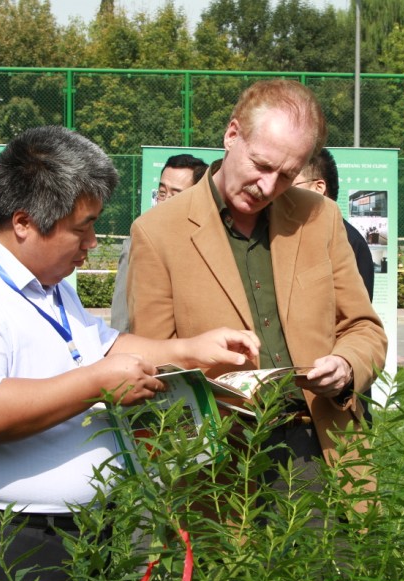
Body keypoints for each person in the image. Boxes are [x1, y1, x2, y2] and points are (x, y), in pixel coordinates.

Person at [0, 125, 259, 581]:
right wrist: (96, 384)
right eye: (81, 227)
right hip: (1, 549)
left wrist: (191, 350)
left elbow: (105, 347)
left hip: (78, 540)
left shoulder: (48, 284)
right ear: (25, 222)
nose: (92, 241)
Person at [127, 80, 388, 495]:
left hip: (322, 448)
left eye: (286, 176)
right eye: (261, 166)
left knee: (336, 562)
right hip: (219, 463)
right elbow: (154, 364)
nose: (268, 187)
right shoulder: (158, 233)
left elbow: (364, 329)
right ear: (232, 136)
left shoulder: (320, 217)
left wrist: (345, 366)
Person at [110, 153, 208, 331]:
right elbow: (122, 316)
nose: (164, 202)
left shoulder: (209, 245)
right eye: (162, 193)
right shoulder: (138, 243)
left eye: (176, 195)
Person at [292, 148, 375, 300]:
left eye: (290, 183)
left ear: (318, 188)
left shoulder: (351, 242)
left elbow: (357, 314)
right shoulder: (287, 232)